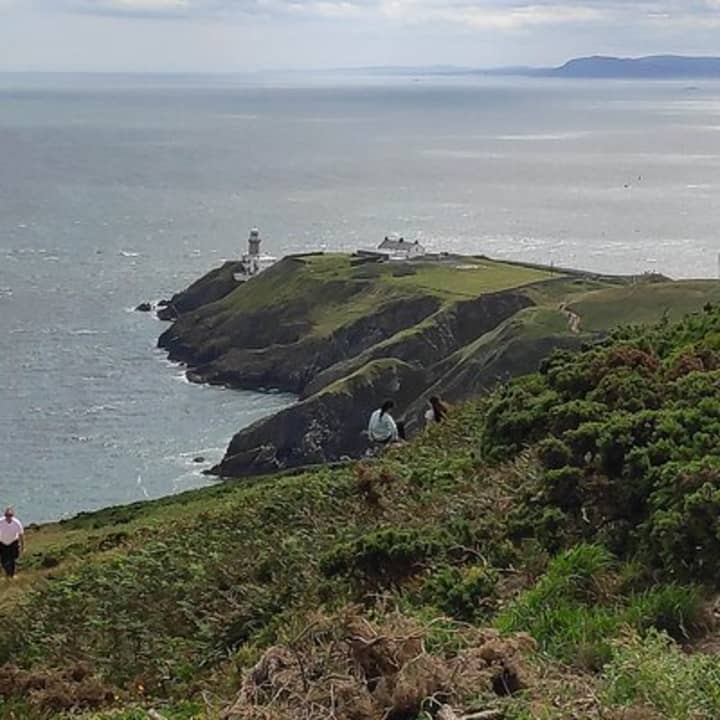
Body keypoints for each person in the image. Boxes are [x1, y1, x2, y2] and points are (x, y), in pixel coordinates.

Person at [0, 506, 24, 580]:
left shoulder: (17, 523)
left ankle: (12, 574)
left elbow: (21, 534)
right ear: (5, 515)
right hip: (2, 542)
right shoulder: (0, 522)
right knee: (4, 560)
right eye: (7, 515)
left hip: (13, 542)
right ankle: (6, 573)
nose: (8, 517)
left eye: (10, 515)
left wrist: (22, 545)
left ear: (12, 515)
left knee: (13, 559)